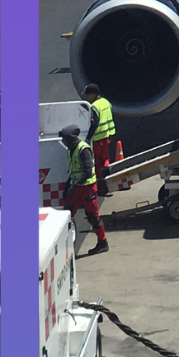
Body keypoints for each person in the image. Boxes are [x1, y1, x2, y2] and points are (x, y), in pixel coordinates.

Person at [58, 124, 108, 255]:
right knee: (67, 214)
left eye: (64, 139)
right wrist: (68, 185)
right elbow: (74, 170)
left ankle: (103, 242)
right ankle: (65, 246)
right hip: (77, 187)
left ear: (70, 139)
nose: (63, 142)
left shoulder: (83, 150)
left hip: (88, 188)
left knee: (93, 216)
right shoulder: (71, 150)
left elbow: (87, 171)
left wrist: (74, 186)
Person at [83, 84, 115, 197]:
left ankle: (100, 188)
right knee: (105, 159)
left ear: (93, 94)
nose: (87, 97)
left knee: (96, 163)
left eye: (88, 95)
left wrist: (87, 138)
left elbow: (94, 123)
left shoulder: (94, 107)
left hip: (97, 139)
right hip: (107, 136)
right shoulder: (106, 102)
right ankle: (107, 181)